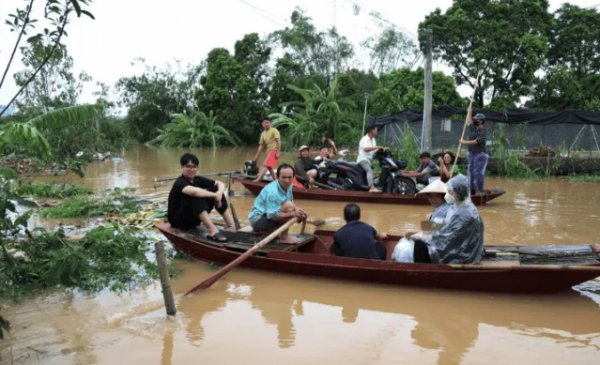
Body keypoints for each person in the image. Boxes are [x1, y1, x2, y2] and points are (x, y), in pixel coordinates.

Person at [404, 174, 484, 264]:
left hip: (461, 256)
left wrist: (417, 235)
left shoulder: (452, 212)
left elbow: (442, 237)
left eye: (437, 196)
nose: (433, 199)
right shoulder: (461, 207)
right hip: (465, 251)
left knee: (419, 244)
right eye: (430, 196)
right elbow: (440, 231)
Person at [167, 153, 236, 242]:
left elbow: (220, 184)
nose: (192, 169)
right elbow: (194, 192)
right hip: (178, 221)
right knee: (196, 196)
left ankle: (230, 225)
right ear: (182, 167)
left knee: (216, 189)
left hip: (193, 218)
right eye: (188, 166)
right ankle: (211, 230)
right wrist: (215, 196)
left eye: (194, 167)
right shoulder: (179, 182)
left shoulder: (197, 179)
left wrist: (218, 193)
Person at [248, 163, 308, 244]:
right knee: (289, 208)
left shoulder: (289, 186)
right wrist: (293, 213)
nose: (287, 181)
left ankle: (276, 231)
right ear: (277, 177)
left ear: (293, 177)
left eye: (289, 177)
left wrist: (298, 211)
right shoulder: (272, 192)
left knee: (294, 209)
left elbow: (291, 202)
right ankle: (284, 237)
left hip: (268, 217)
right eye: (283, 177)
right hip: (258, 221)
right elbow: (273, 216)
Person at [460, 113, 489, 195]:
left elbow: (477, 141)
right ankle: (472, 190)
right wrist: (469, 111)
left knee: (478, 173)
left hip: (480, 155)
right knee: (470, 171)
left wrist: (464, 142)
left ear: (481, 121)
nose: (475, 120)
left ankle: (478, 190)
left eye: (477, 119)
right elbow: (468, 122)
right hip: (471, 154)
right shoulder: (474, 128)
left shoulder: (482, 131)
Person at [357, 125, 385, 193]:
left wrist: (382, 149)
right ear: (372, 131)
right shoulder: (365, 139)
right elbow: (366, 149)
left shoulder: (373, 140)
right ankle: (371, 188)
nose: (377, 132)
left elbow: (374, 150)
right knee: (369, 171)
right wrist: (377, 147)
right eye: (376, 130)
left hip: (368, 160)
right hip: (363, 159)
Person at [253, 117, 281, 182]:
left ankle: (259, 178)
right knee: (270, 167)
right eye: (265, 123)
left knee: (265, 165)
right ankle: (276, 180)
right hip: (268, 152)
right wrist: (256, 156)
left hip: (274, 151)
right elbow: (261, 146)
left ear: (270, 123)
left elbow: (279, 141)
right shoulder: (263, 134)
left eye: (268, 122)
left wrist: (278, 152)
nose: (266, 124)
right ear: (262, 124)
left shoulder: (274, 130)